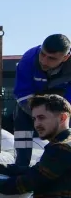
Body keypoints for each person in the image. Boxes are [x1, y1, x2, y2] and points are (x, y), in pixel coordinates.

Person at [12, 34, 71, 166]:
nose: (44, 61)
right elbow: (22, 93)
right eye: (43, 54)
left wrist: (56, 117)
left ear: (66, 57)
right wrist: (38, 114)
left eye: (51, 58)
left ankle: (62, 163)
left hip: (61, 104)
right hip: (34, 101)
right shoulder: (28, 60)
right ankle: (21, 165)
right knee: (20, 116)